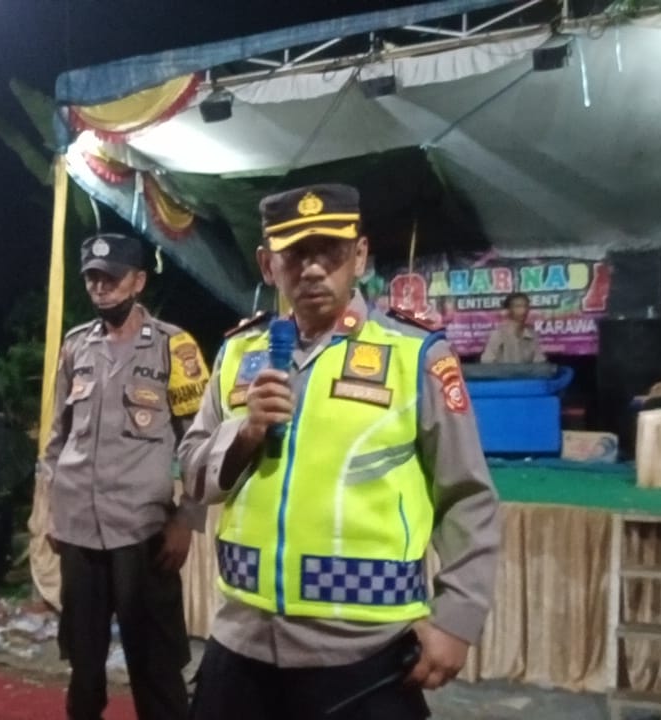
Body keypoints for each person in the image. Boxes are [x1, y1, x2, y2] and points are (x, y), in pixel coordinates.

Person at [178, 184, 500, 720]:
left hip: (366, 654)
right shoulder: (238, 353)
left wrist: (457, 619)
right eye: (294, 254)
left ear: (360, 256)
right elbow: (192, 472)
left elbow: (467, 497)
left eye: (329, 251)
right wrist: (246, 433)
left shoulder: (416, 355)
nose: (311, 269)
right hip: (241, 643)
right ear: (267, 265)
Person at [42, 232, 211, 720]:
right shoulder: (76, 346)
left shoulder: (173, 347)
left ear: (138, 281)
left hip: (144, 533)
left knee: (156, 670)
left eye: (111, 278)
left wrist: (187, 520)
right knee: (84, 669)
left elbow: (199, 442)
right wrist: (53, 510)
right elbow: (57, 439)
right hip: (78, 530)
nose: (100, 287)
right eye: (92, 278)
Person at [480, 292, 546, 364]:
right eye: (518, 307)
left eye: (526, 306)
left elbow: (539, 363)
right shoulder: (498, 335)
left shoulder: (532, 334)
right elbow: (487, 362)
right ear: (509, 310)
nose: (523, 310)